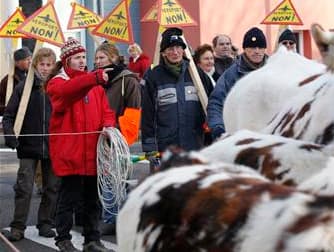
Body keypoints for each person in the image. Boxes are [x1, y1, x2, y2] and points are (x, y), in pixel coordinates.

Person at [46, 37, 115, 252]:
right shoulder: (57, 83)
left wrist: (109, 126)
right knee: (68, 198)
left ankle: (91, 240)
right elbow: (68, 92)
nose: (82, 61)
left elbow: (107, 112)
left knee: (92, 200)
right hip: (70, 154)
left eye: (84, 57)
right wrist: (94, 78)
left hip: (92, 152)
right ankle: (63, 239)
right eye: (77, 57)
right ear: (66, 60)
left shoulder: (95, 86)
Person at [1, 47, 60, 242]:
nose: (45, 68)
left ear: (54, 66)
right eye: (41, 64)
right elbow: (9, 116)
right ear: (35, 65)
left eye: (48, 65)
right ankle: (18, 226)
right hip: (28, 145)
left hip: (53, 146)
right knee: (24, 188)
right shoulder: (24, 86)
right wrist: (10, 135)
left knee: (52, 187)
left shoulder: (58, 86)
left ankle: (46, 223)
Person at [141, 27, 214, 155]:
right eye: (170, 48)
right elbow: (148, 114)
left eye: (178, 48)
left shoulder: (197, 74)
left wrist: (212, 131)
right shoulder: (154, 76)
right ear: (163, 52)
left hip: (196, 145)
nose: (175, 52)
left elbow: (212, 103)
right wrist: (150, 146)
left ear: (183, 50)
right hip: (166, 148)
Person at [94, 42, 141, 235]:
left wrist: (118, 134)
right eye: (96, 58)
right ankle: (101, 215)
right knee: (101, 179)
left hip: (115, 138)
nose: (97, 62)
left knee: (115, 179)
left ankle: (113, 218)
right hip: (94, 137)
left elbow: (133, 111)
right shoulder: (95, 79)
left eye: (101, 58)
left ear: (113, 58)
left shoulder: (127, 80)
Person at [207, 27, 269, 140]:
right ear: (245, 49)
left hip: (271, 134)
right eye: (252, 47)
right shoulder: (232, 74)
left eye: (260, 47)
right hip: (241, 135)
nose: (257, 51)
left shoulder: (274, 70)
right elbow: (216, 102)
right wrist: (218, 127)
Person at [0, 47, 32, 115]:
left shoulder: (32, 77)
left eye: (30, 58)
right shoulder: (7, 81)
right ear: (17, 63)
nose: (30, 61)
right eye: (27, 59)